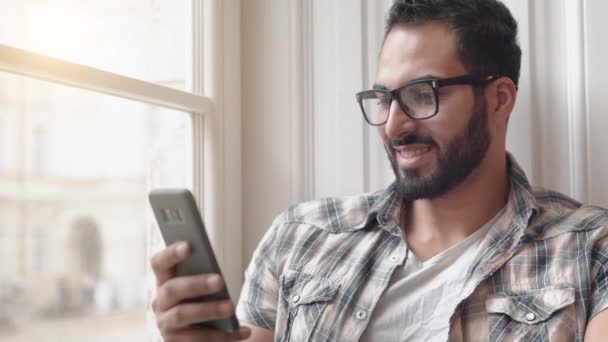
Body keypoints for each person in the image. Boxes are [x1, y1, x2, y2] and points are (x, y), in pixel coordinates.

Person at [150, 0, 608, 340]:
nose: (393, 124)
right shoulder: (301, 237)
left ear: (499, 98)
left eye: (422, 93)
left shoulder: (590, 249)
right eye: (384, 98)